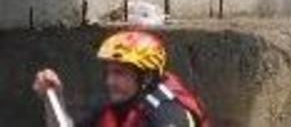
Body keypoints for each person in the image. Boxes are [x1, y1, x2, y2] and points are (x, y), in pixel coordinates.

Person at [32, 28, 209, 126]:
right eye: (108, 72)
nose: (110, 82)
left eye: (120, 73)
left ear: (146, 77)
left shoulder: (167, 113)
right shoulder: (117, 105)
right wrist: (54, 98)